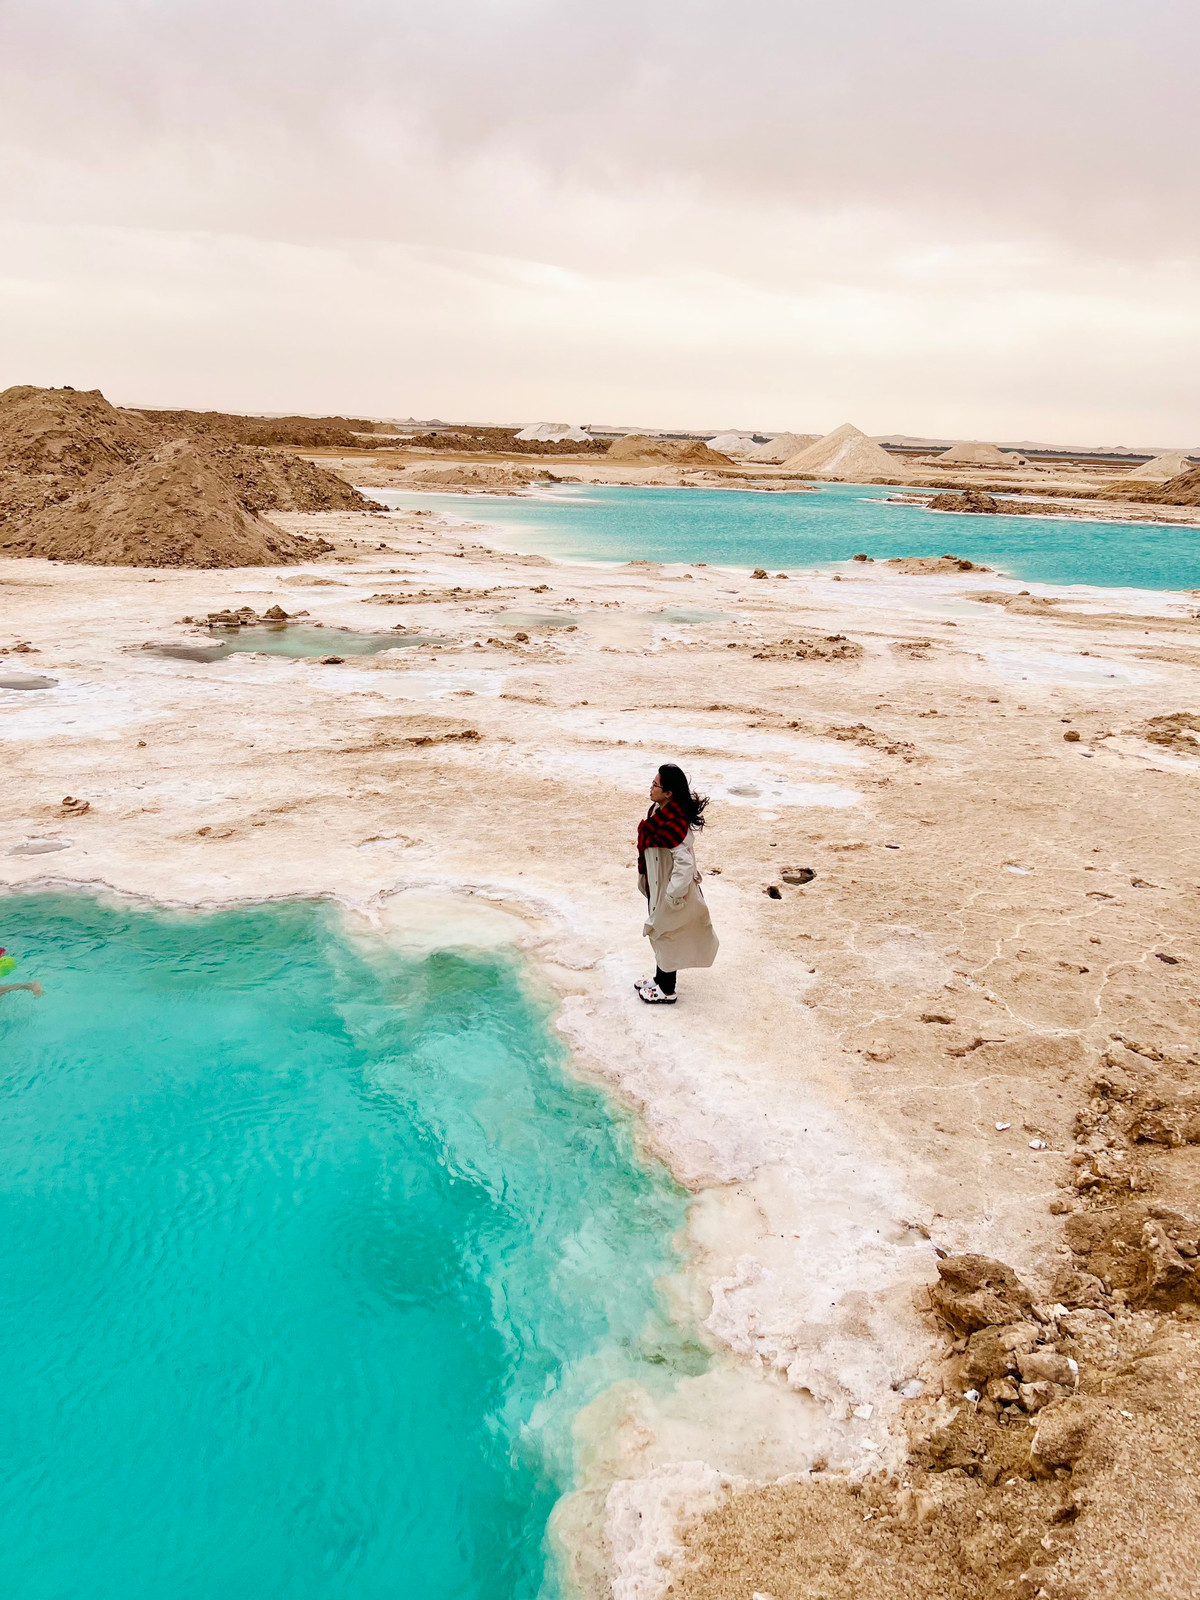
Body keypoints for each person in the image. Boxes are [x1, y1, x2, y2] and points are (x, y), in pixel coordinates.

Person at [634, 764, 718, 1004]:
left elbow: (684, 864)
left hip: (671, 890)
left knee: (667, 933)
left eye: (655, 784)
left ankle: (667, 990)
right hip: (656, 885)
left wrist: (673, 895)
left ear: (668, 792)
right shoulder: (656, 813)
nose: (651, 788)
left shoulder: (675, 824)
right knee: (660, 933)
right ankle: (660, 980)